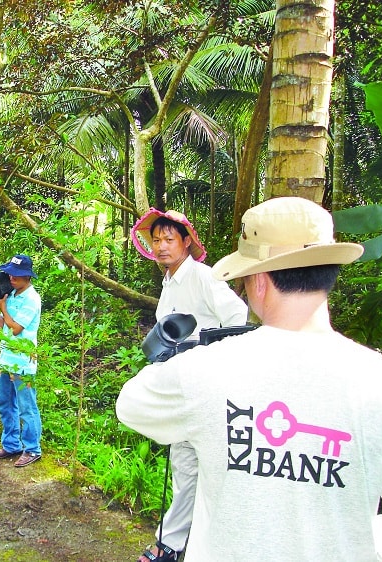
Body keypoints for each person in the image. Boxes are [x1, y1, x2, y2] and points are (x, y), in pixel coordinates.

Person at [117, 197, 382, 561]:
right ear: (329, 272)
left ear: (260, 281)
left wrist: (191, 355)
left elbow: (131, 404)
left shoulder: (205, 371)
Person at [130, 208, 249, 561]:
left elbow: (237, 318)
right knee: (187, 466)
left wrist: (204, 350)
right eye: (156, 240)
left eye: (169, 239)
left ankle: (170, 544)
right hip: (183, 386)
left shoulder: (202, 276)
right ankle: (184, 542)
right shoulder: (169, 282)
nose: (162, 246)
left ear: (186, 242)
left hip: (208, 386)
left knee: (191, 465)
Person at [0, 254, 43, 468]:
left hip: (23, 362)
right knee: (4, 403)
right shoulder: (13, 294)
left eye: (16, 275)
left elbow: (16, 329)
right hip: (5, 359)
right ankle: (11, 444)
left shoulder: (32, 299)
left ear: (27, 276)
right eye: (10, 274)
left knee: (27, 407)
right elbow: (3, 325)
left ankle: (32, 449)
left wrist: (3, 308)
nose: (11, 278)